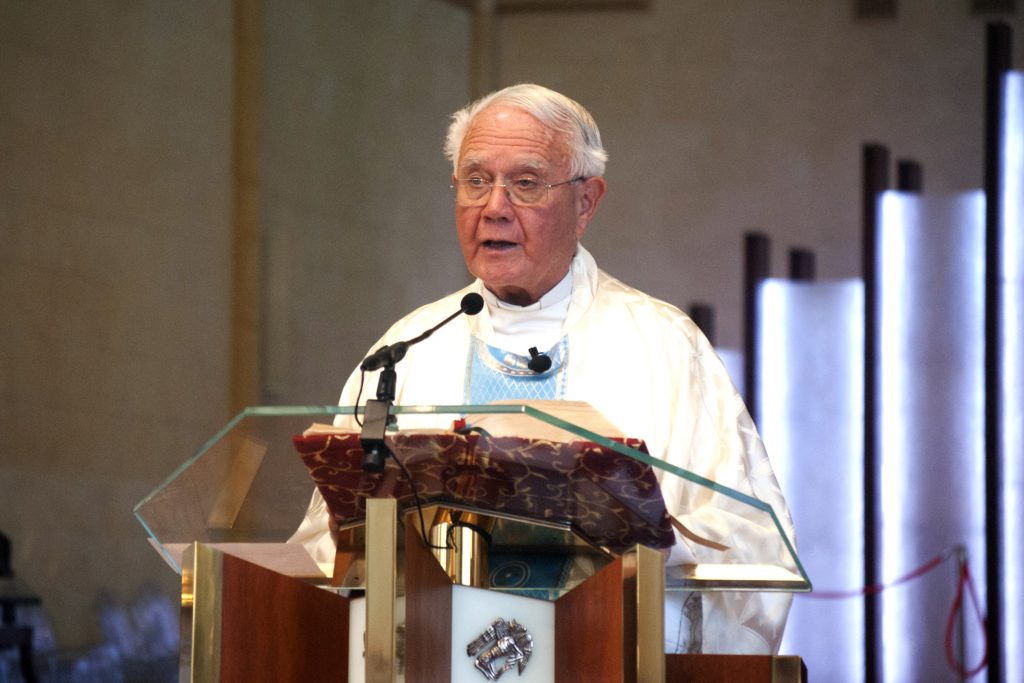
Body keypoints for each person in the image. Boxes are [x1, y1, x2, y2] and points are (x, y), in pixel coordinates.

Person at [291, 83, 796, 654]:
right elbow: (321, 551)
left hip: (605, 658)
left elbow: (753, 548)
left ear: (586, 202)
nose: (495, 206)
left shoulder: (663, 346)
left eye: (526, 183)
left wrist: (645, 541)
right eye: (475, 180)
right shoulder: (406, 351)